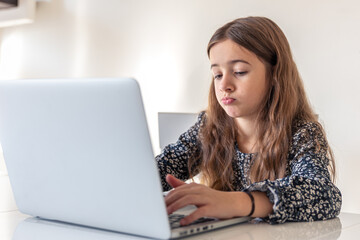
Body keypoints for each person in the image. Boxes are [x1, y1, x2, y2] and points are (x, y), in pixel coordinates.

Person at [156, 16, 342, 226]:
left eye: (239, 72)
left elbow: (325, 195)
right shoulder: (209, 127)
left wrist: (237, 202)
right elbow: (157, 170)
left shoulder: (302, 133)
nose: (224, 84)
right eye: (217, 74)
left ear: (275, 75)